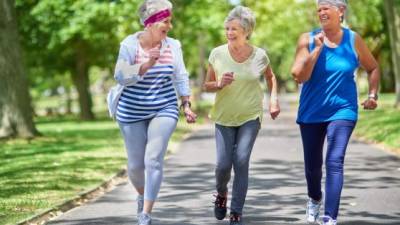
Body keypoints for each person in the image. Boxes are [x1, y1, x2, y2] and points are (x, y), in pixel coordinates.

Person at [106, 0, 197, 224]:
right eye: (166, 21)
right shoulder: (129, 45)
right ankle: (141, 194)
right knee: (136, 165)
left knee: (153, 159)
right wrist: (147, 63)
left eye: (170, 21)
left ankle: (145, 214)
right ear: (150, 22)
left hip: (164, 107)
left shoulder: (173, 45)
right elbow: (120, 75)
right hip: (131, 110)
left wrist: (186, 104)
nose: (169, 26)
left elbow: (181, 75)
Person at [291, 0, 380, 224]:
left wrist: (372, 95)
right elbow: (299, 76)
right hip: (312, 111)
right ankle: (314, 197)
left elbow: (373, 67)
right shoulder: (307, 39)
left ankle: (330, 217)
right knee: (312, 167)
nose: (321, 12)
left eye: (326, 8)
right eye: (318, 9)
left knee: (335, 160)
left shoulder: (353, 40)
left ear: (340, 11)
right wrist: (317, 49)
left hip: (344, 109)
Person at [203, 6, 280, 225]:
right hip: (223, 117)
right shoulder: (217, 54)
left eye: (234, 28)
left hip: (250, 116)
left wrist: (274, 100)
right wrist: (218, 84)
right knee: (222, 165)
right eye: (227, 28)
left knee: (241, 160)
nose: (229, 32)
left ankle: (236, 211)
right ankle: (221, 194)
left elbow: (271, 77)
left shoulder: (260, 56)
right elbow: (206, 85)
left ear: (246, 31)